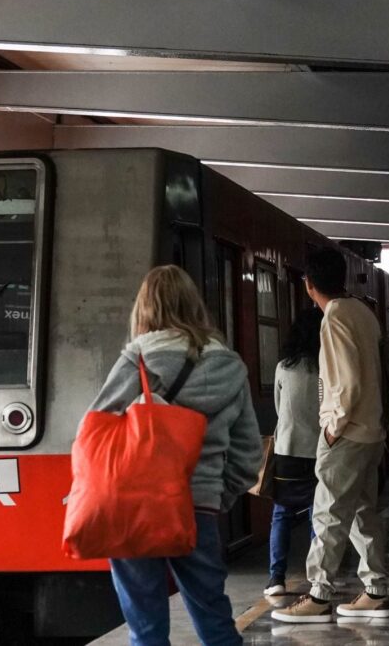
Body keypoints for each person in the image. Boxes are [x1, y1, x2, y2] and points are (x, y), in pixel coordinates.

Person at [87, 265, 262, 646]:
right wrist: (216, 497)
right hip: (198, 508)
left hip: (136, 508)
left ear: (144, 308)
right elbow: (249, 454)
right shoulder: (230, 366)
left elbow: (96, 432)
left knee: (146, 630)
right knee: (215, 620)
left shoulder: (138, 359)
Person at [272, 248, 389, 624]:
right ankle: (375, 591)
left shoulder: (335, 316)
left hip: (348, 432)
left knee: (328, 514)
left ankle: (319, 596)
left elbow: (347, 382)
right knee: (361, 512)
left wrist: (332, 426)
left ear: (308, 284)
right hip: (371, 431)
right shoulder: (362, 312)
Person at [264, 307, 323, 597]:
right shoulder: (326, 367)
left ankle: (276, 579)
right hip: (318, 452)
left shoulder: (283, 368)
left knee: (281, 515)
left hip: (286, 451)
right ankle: (316, 579)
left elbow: (278, 409)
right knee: (318, 516)